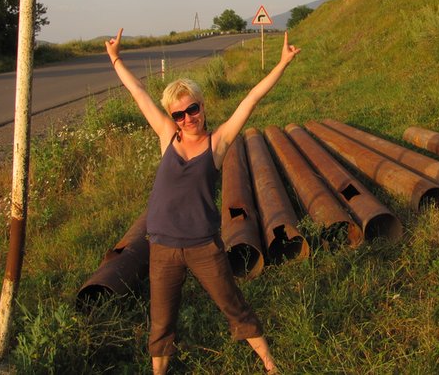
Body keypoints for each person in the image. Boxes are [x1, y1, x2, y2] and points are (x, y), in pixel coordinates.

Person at [105, 28, 300, 375]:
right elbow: (138, 94)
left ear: (202, 106)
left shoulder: (218, 143)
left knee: (232, 304)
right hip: (162, 247)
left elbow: (251, 99)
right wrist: (116, 59)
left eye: (191, 110)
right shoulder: (167, 136)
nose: (187, 119)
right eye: (179, 114)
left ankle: (270, 364)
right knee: (162, 320)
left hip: (203, 247)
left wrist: (282, 63)